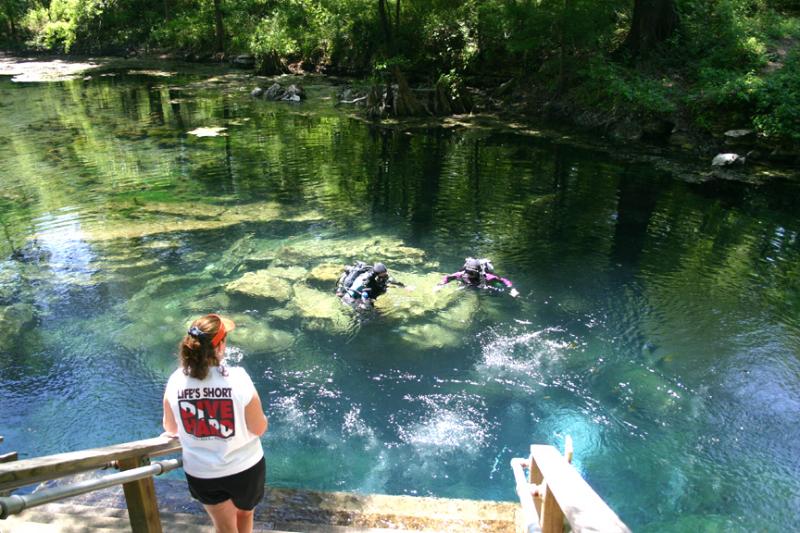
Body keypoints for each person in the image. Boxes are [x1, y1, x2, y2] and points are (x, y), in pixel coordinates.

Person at [162, 314, 268, 533]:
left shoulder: (176, 380)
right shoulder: (238, 378)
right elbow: (258, 428)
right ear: (219, 346)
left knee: (224, 527)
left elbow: (170, 429)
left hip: (202, 472)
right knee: (246, 513)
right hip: (245, 468)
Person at [437, 257, 519, 297]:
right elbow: (448, 277)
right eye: (467, 271)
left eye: (471, 272)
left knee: (497, 290)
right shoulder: (462, 273)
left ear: (478, 272)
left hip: (482, 283)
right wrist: (440, 285)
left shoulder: (487, 277)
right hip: (472, 285)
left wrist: (512, 289)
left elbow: (504, 280)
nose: (468, 274)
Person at [338, 261, 405, 308]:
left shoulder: (383, 276)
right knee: (365, 309)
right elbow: (350, 293)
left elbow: (391, 280)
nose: (386, 275)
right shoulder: (365, 280)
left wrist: (404, 286)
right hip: (358, 295)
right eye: (383, 274)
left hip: (372, 292)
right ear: (377, 275)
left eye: (385, 273)